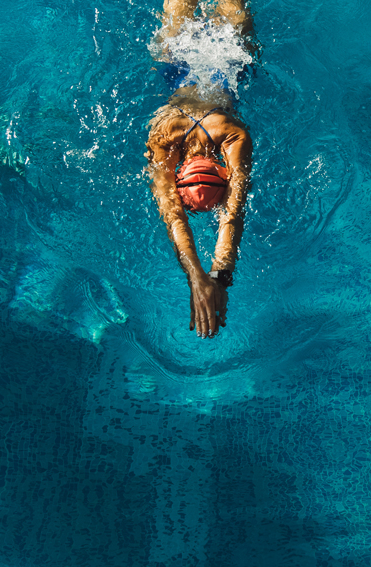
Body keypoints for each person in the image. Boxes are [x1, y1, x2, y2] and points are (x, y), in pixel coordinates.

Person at [145, 0, 254, 339]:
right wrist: (206, 275)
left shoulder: (233, 134)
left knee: (234, 15)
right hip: (175, 68)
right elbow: (176, 214)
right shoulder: (163, 131)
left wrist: (214, 276)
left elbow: (231, 214)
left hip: (230, 65)